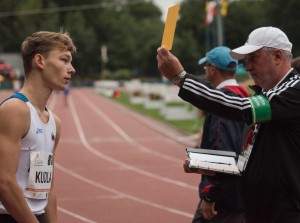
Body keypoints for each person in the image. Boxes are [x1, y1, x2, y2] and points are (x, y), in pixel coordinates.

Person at [157, 26, 300, 223]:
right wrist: (209, 164)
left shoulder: (294, 91)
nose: (247, 67)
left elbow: (241, 106)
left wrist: (181, 78)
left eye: (253, 58)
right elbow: (247, 160)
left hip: (285, 213)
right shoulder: (271, 95)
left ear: (277, 56)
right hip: (262, 211)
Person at [0, 30, 76, 223]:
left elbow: (46, 186)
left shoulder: (54, 123)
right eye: (64, 60)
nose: (71, 69)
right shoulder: (15, 110)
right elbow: (4, 183)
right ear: (40, 61)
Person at [184, 46, 249, 223]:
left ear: (212, 69)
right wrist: (197, 161)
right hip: (242, 193)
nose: (205, 72)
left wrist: (209, 196)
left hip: (223, 199)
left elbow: (223, 153)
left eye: (206, 68)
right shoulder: (244, 98)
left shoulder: (221, 103)